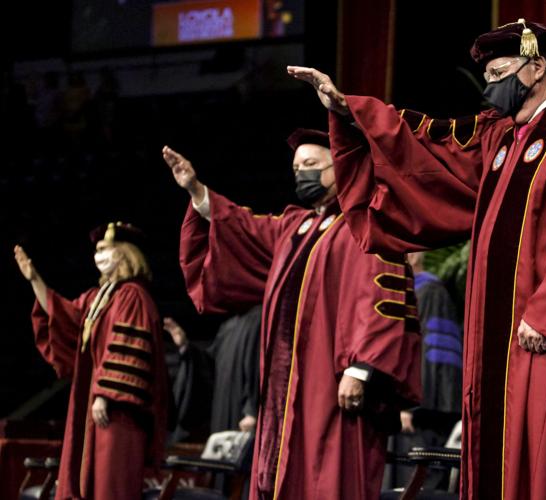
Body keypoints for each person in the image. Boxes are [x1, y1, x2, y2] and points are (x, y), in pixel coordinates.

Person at [290, 18, 546, 500]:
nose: (489, 85)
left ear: (538, 66)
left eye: (499, 71)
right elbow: (432, 150)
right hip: (500, 347)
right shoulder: (501, 137)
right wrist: (351, 110)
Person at [162, 128, 422, 500]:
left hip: (330, 383)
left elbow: (380, 300)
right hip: (285, 390)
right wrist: (197, 191)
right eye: (297, 167)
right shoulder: (296, 227)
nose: (302, 173)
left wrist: (361, 369)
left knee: (328, 473)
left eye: (312, 165)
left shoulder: (364, 225)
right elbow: (243, 227)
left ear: (341, 168)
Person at [14, 222, 168, 500]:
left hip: (118, 413)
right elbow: (64, 317)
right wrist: (35, 279)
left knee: (110, 485)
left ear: (124, 253)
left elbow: (127, 349)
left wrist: (106, 395)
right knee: (87, 483)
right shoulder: (99, 298)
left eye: (104, 249)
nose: (97, 256)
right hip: (93, 408)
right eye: (96, 251)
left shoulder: (133, 296)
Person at [388, 251, 462, 489]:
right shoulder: (400, 295)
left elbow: (434, 355)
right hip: (402, 411)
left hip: (421, 416)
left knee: (416, 487)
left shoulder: (430, 292)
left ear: (415, 256)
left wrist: (411, 407)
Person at [165, 306, 262, 442]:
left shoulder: (259, 318)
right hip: (222, 414)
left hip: (244, 418)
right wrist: (186, 347)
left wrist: (252, 410)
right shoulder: (228, 326)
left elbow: (258, 365)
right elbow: (209, 368)